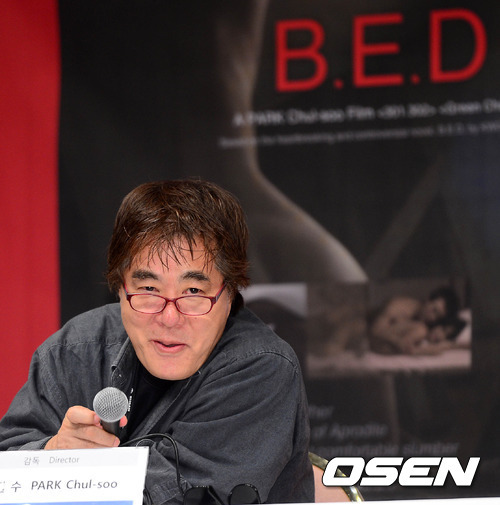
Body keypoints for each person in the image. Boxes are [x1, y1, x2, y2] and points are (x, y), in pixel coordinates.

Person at [0, 180, 314, 504]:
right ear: (120, 288)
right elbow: (7, 460)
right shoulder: (73, 350)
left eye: (193, 292)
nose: (169, 317)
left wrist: (65, 475)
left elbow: (177, 496)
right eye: (149, 290)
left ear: (230, 293)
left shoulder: (261, 367)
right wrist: (51, 452)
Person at [369, 286, 467, 355]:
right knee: (421, 330)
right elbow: (374, 332)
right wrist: (398, 341)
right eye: (434, 310)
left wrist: (452, 345)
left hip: (390, 343)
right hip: (373, 338)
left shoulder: (428, 324)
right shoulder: (398, 306)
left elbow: (439, 338)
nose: (432, 318)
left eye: (438, 317)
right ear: (428, 300)